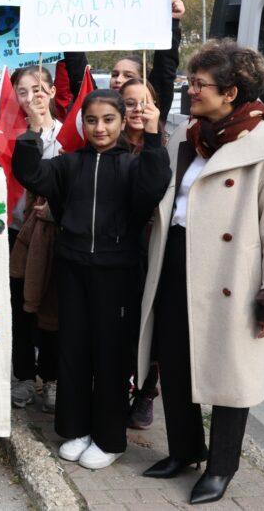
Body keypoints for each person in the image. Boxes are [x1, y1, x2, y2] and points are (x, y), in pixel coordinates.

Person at [138, 40, 264, 505]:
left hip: (233, 275)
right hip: (176, 260)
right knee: (174, 360)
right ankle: (184, 450)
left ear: (231, 92)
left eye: (200, 84)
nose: (191, 90)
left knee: (231, 373)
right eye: (191, 81)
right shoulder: (187, 136)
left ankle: (221, 467)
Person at [13, 89, 170, 471]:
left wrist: (152, 137)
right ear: (82, 123)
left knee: (111, 357)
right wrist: (33, 129)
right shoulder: (69, 164)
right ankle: (76, 427)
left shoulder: (134, 165)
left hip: (118, 275)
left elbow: (154, 187)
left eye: (108, 119)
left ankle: (109, 438)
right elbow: (31, 173)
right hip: (72, 269)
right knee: (74, 351)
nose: (100, 128)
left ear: (122, 121)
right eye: (92, 120)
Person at [7, 66, 61, 412]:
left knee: (52, 309)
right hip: (16, 231)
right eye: (23, 92)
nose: (31, 98)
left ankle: (51, 377)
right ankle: (24, 376)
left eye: (38, 89)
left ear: (52, 91)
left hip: (54, 234)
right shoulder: (8, 134)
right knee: (20, 308)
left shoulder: (69, 135)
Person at [118, 78, 164, 430]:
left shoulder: (169, 144)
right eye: (129, 102)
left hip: (156, 247)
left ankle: (147, 391)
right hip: (120, 247)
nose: (137, 109)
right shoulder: (108, 143)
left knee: (153, 322)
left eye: (144, 102)